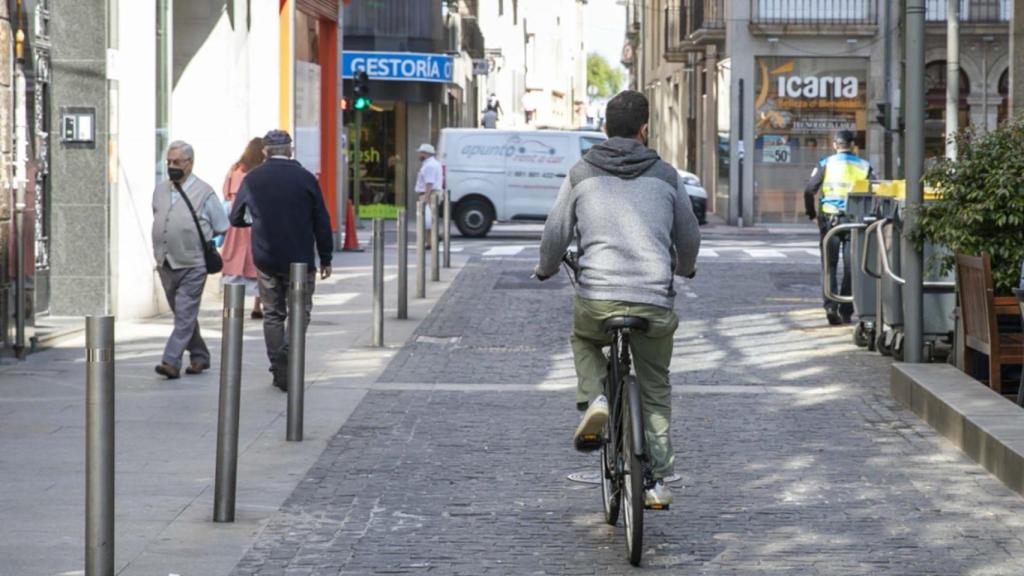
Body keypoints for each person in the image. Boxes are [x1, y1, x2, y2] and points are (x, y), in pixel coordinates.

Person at [533, 90, 701, 508]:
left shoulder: (581, 172)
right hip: (653, 300)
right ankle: (656, 480)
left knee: (585, 340)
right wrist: (684, 268)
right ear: (645, 128)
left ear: (605, 128)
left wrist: (547, 267)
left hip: (597, 298)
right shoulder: (666, 175)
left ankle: (597, 398)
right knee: (655, 384)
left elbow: (555, 235)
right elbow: (689, 237)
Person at [229, 130, 334, 392]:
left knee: (273, 313)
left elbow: (235, 217)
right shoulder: (306, 178)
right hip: (300, 259)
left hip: (266, 258)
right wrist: (326, 256)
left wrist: (255, 221)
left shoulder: (252, 179)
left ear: (265, 152)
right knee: (301, 311)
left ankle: (279, 367)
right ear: (290, 150)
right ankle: (288, 353)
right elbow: (322, 220)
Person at [151, 140, 229, 379]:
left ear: (190, 163)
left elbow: (222, 225)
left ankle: (170, 361)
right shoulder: (160, 190)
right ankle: (200, 356)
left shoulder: (205, 192)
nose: (171, 166)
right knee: (183, 315)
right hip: (166, 263)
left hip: (193, 264)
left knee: (184, 314)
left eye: (177, 162)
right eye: (168, 162)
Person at [804, 129, 875, 325]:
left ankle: (830, 306)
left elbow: (809, 189)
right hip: (855, 221)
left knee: (829, 265)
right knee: (852, 266)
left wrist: (811, 214)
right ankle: (846, 310)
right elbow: (875, 191)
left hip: (830, 221)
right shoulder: (864, 166)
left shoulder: (825, 164)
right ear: (852, 145)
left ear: (834, 145)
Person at [221, 137, 265, 319]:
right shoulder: (258, 173)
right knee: (257, 264)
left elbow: (225, 193)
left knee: (234, 262)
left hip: (235, 224)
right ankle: (257, 305)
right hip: (253, 222)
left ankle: (231, 307)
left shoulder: (235, 170)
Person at [415, 142, 443, 247]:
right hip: (432, 193)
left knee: (427, 219)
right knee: (429, 219)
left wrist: (426, 197)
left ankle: (431, 241)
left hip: (430, 193)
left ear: (426, 153)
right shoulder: (433, 164)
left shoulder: (429, 166)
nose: (419, 155)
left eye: (421, 153)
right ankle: (430, 242)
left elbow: (429, 183)